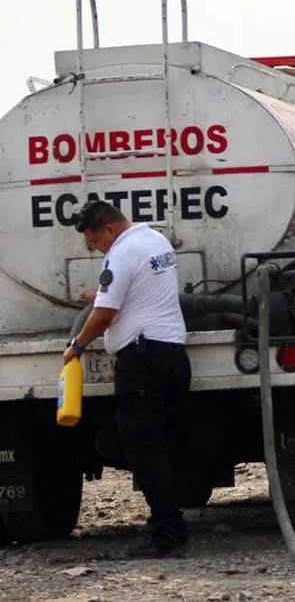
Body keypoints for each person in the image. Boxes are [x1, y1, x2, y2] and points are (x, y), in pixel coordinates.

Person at [62, 200, 192, 559]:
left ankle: (167, 531)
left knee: (144, 446)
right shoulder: (155, 241)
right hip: (172, 356)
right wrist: (100, 294)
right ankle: (173, 520)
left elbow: (105, 313)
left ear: (109, 229)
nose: (96, 249)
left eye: (94, 242)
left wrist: (77, 344)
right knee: (164, 443)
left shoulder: (121, 252)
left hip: (142, 362)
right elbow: (137, 289)